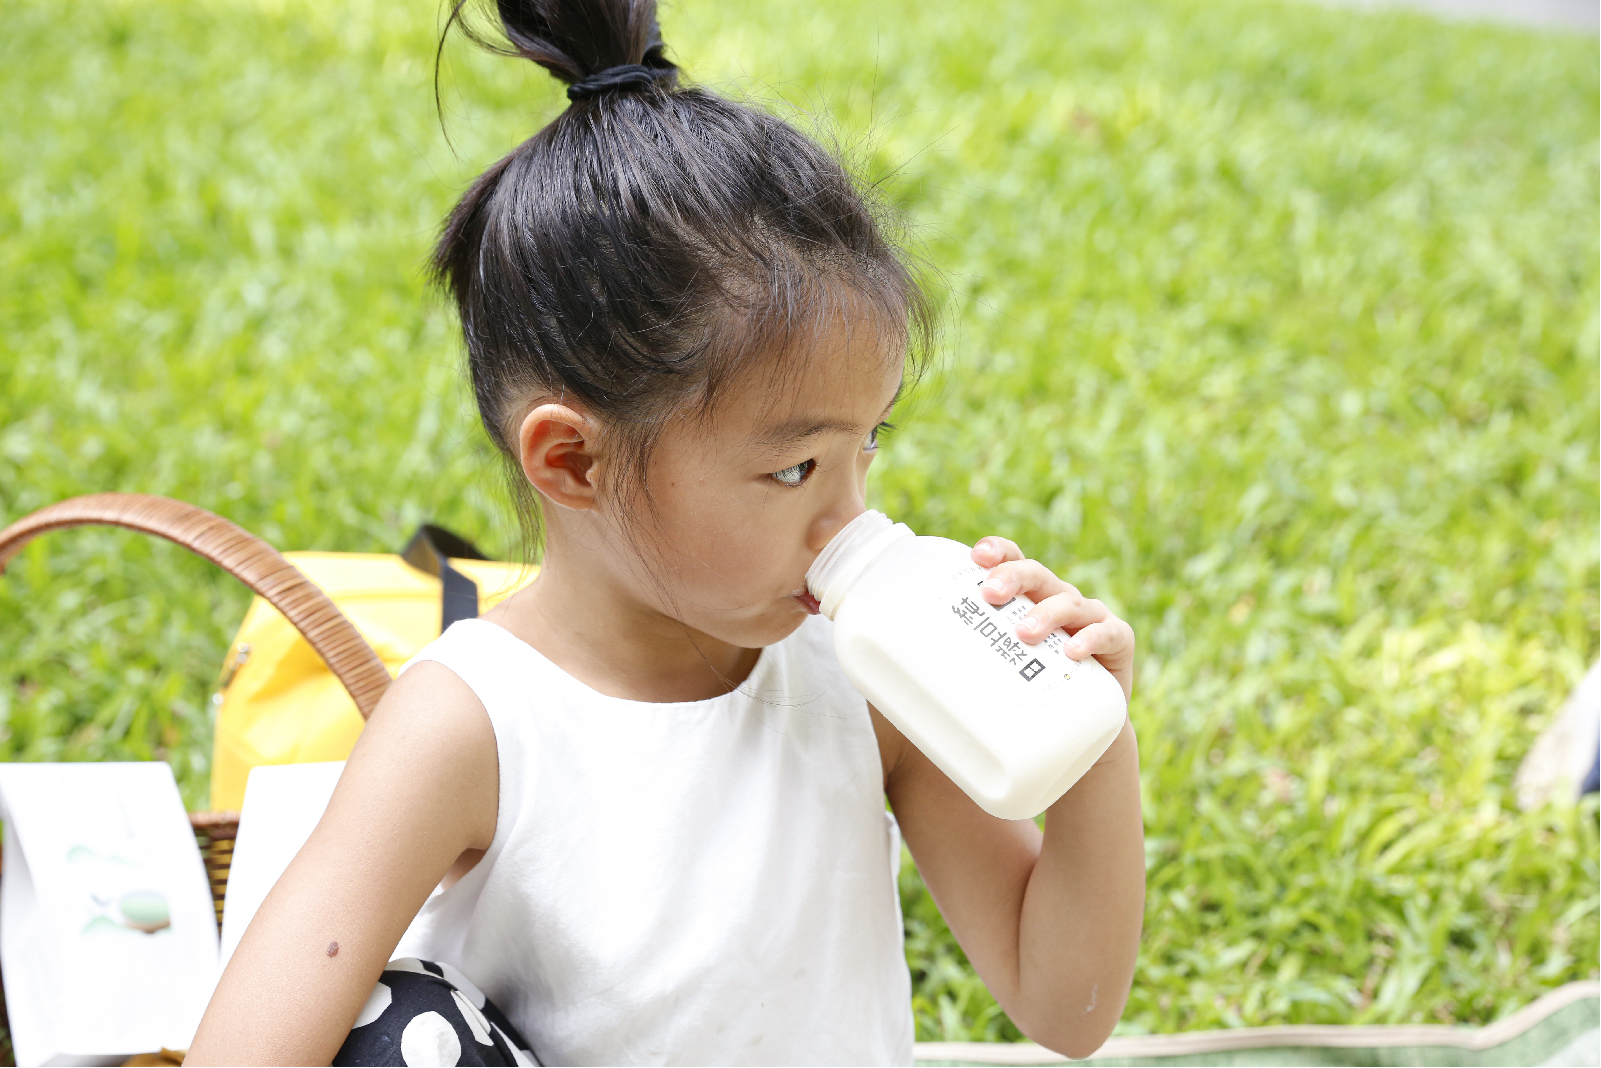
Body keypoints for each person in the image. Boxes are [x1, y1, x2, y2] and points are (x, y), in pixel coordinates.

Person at [184, 0, 1145, 1062]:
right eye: (792, 467)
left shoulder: (861, 676)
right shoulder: (470, 727)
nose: (848, 516)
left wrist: (1091, 743)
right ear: (572, 461)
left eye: (865, 444)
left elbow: (1067, 1011)